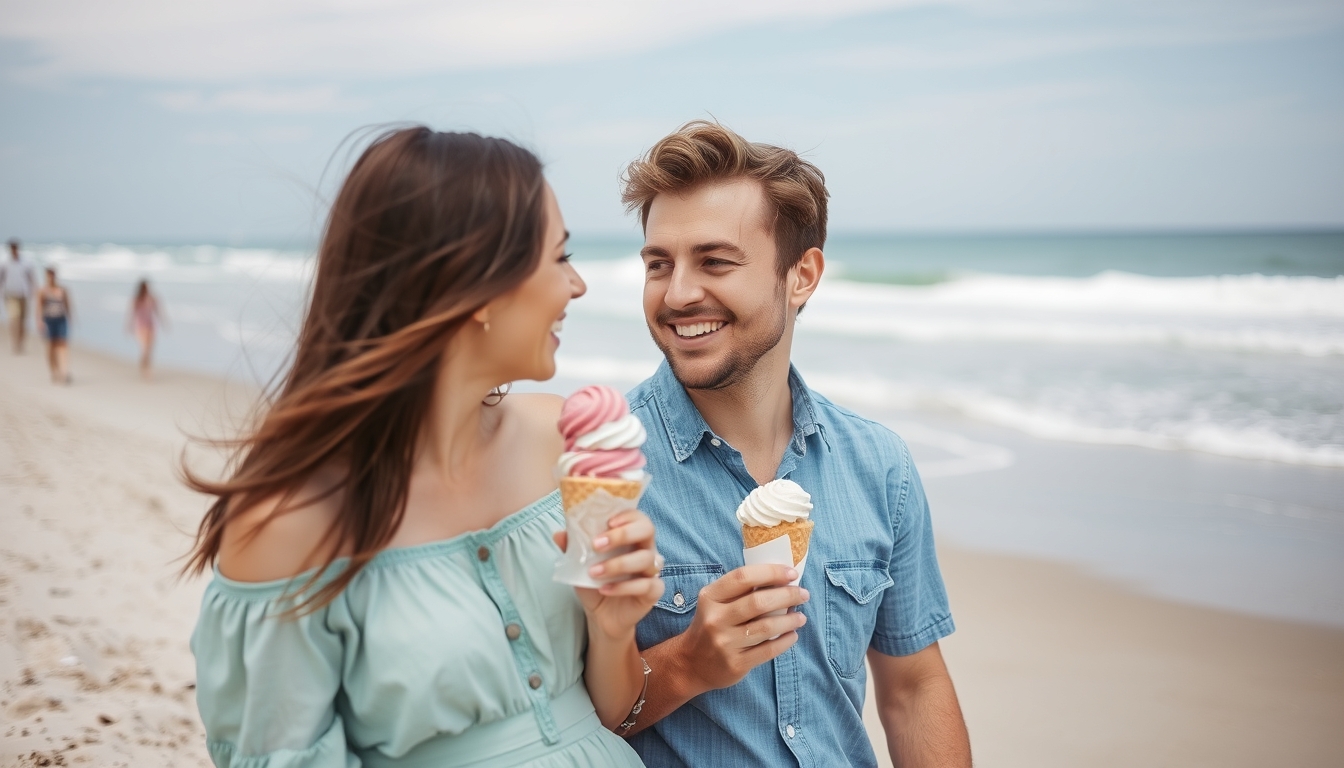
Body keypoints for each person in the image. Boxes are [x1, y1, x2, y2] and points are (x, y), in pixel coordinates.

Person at [184, 128, 663, 768]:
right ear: (478, 288)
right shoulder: (286, 525)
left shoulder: (561, 445)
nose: (576, 286)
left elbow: (608, 713)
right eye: (559, 257)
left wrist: (612, 629)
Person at [618, 122, 972, 767]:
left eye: (715, 261)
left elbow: (913, 686)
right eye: (658, 264)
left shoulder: (879, 465)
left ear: (801, 275)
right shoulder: (600, 467)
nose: (677, 294)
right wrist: (686, 664)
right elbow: (544, 721)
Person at [36, 267, 72, 384]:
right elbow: (39, 307)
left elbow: (67, 305)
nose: (51, 277)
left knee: (62, 345)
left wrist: (70, 318)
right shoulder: (43, 291)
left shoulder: (62, 290)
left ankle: (64, 371)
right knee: (51, 346)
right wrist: (40, 321)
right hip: (49, 320)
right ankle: (54, 371)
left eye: (52, 275)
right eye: (49, 275)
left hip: (61, 319)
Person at [1, 238, 37, 354]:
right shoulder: (4, 262)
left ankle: (21, 342)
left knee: (23, 320)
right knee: (14, 319)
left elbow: (31, 278)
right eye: (12, 247)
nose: (14, 249)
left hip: (24, 294)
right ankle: (15, 342)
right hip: (10, 294)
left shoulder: (26, 262)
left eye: (15, 247)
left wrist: (34, 291)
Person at [127, 279, 165, 379]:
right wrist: (129, 326)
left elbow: (158, 311)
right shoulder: (136, 299)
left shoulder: (152, 298)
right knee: (145, 349)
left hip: (151, 326)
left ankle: (146, 368)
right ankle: (145, 370)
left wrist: (163, 322)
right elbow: (132, 314)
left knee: (150, 349)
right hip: (141, 326)